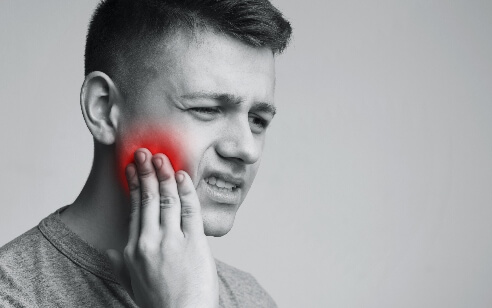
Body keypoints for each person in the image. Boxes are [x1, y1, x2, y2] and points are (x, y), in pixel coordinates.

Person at [0, 0, 291, 307]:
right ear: (103, 109)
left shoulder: (252, 299)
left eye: (258, 119)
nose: (247, 149)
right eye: (207, 109)